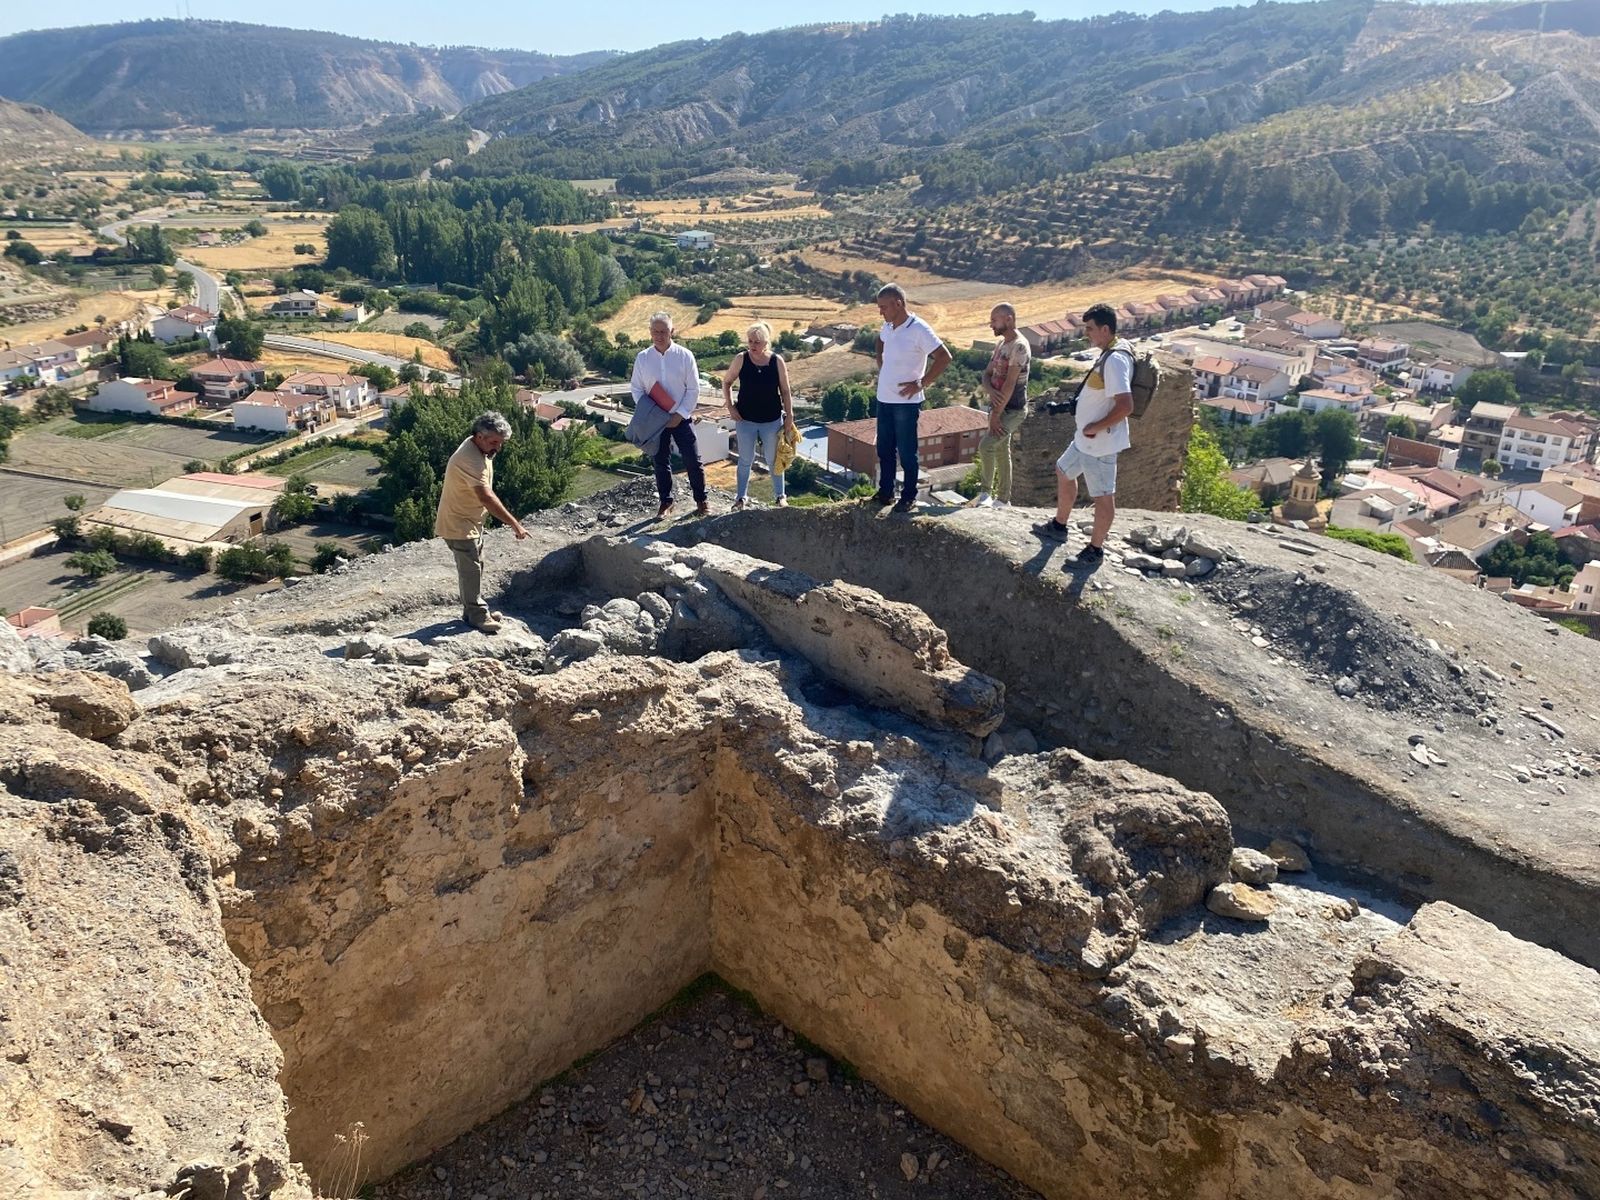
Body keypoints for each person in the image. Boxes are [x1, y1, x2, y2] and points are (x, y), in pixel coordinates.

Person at [1034, 303, 1134, 564]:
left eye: (1090, 329)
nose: (1086, 333)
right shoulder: (1109, 353)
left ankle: (1095, 550)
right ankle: (1059, 525)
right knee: (1064, 470)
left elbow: (1126, 405)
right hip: (1086, 440)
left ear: (1104, 328)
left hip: (1100, 442)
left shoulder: (1116, 360)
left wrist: (1095, 427)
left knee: (1102, 495)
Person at [434, 410, 528, 634]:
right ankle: (477, 615)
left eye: (501, 442)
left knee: (477, 565)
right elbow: (486, 496)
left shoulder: (479, 449)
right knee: (471, 569)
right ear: (479, 437)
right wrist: (515, 524)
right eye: (494, 442)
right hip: (459, 523)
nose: (498, 448)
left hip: (470, 521)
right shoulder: (470, 459)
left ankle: (471, 610)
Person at [871, 283, 952, 513]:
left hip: (906, 404)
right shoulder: (888, 326)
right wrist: (881, 362)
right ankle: (885, 493)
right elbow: (880, 341)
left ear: (899, 304)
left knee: (907, 452)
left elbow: (944, 357)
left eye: (884, 307)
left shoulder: (919, 329)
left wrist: (921, 383)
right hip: (884, 399)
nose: (881, 312)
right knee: (884, 449)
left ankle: (908, 497)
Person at [631, 312, 708, 520]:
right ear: (649, 332)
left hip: (681, 418)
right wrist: (653, 414)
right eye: (655, 331)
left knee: (693, 459)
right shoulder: (642, 358)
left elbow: (693, 390)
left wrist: (680, 414)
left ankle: (702, 501)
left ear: (672, 331)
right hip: (656, 421)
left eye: (663, 331)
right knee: (660, 461)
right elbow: (637, 389)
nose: (659, 335)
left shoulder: (685, 356)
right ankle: (666, 503)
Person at [721, 321, 797, 509]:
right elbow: (727, 382)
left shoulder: (776, 361)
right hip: (745, 420)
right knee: (745, 460)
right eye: (750, 341)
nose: (752, 345)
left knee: (773, 460)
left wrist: (790, 416)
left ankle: (780, 496)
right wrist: (730, 407)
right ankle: (740, 498)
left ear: (766, 343)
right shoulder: (741, 359)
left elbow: (785, 391)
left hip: (771, 420)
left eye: (757, 342)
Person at [971, 302, 1031, 508]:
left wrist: (996, 414)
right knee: (1001, 450)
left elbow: (1010, 383)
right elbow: (986, 375)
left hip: (1012, 410)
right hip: (999, 406)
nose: (991, 325)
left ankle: (986, 494)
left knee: (986, 446)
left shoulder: (1019, 346)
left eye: (994, 320)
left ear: (1009, 319)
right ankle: (1003, 499)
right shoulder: (1001, 345)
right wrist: (990, 390)